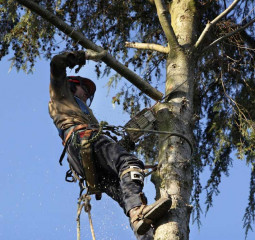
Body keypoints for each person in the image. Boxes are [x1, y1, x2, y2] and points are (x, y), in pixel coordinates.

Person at [48, 50, 171, 236]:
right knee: (130, 163)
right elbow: (56, 64)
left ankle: (144, 231)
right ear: (72, 85)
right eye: (85, 89)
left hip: (82, 159)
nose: (87, 94)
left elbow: (107, 153)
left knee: (125, 193)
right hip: (81, 139)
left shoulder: (87, 116)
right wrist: (79, 57)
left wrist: (127, 140)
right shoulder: (61, 95)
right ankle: (138, 212)